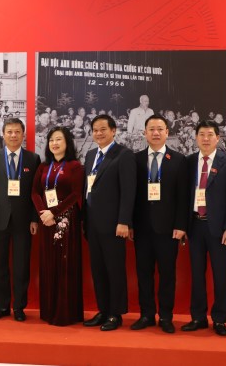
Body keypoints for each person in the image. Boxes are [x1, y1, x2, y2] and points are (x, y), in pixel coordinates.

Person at [130, 115, 189, 333]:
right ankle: (146, 314)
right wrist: (129, 224)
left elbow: (183, 197)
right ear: (144, 133)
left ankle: (165, 316)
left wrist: (181, 225)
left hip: (168, 229)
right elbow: (130, 195)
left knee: (167, 274)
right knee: (143, 274)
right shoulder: (135, 160)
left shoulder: (179, 160)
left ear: (167, 132)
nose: (156, 133)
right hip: (142, 228)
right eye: (151, 129)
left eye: (160, 129)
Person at [0, 118, 41, 321]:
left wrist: (34, 219)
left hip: (23, 222)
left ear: (23, 134)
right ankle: (2, 306)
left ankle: (19, 307)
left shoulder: (33, 159)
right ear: (3, 134)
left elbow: (36, 192)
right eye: (9, 132)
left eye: (17, 132)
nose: (13, 135)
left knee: (21, 266)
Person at [82, 115, 136, 331]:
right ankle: (103, 310)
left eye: (103, 129)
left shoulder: (123, 155)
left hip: (114, 224)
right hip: (92, 223)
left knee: (114, 270)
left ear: (114, 131)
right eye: (95, 130)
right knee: (98, 270)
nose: (99, 133)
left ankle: (115, 313)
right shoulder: (90, 155)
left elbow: (128, 191)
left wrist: (124, 221)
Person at [181, 120, 226, 336]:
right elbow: (183, 196)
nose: (205, 138)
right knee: (197, 274)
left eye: (210, 134)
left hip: (219, 228)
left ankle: (219, 319)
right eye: (201, 134)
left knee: (220, 275)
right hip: (195, 225)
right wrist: (183, 226)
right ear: (196, 138)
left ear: (218, 138)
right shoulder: (189, 162)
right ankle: (198, 317)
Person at [31, 127, 85, 326]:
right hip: (46, 221)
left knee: (65, 264)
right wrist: (43, 213)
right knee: (49, 264)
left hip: (66, 221)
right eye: (51, 140)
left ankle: (65, 313)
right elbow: (35, 192)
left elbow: (76, 194)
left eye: (59, 139)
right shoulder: (44, 166)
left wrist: (54, 212)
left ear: (67, 142)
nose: (54, 143)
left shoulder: (75, 166)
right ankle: (49, 311)